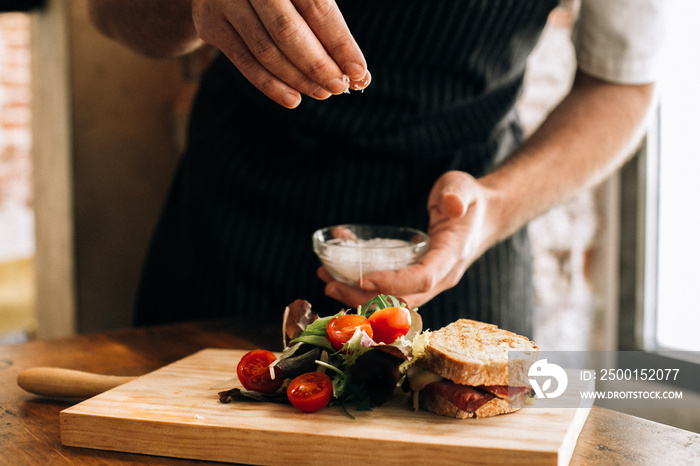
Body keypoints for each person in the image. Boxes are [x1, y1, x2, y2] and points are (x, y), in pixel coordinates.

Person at [87, 0, 664, 337]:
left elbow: (622, 83)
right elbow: (112, 14)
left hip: (464, 231)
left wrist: (494, 209)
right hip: (235, 215)